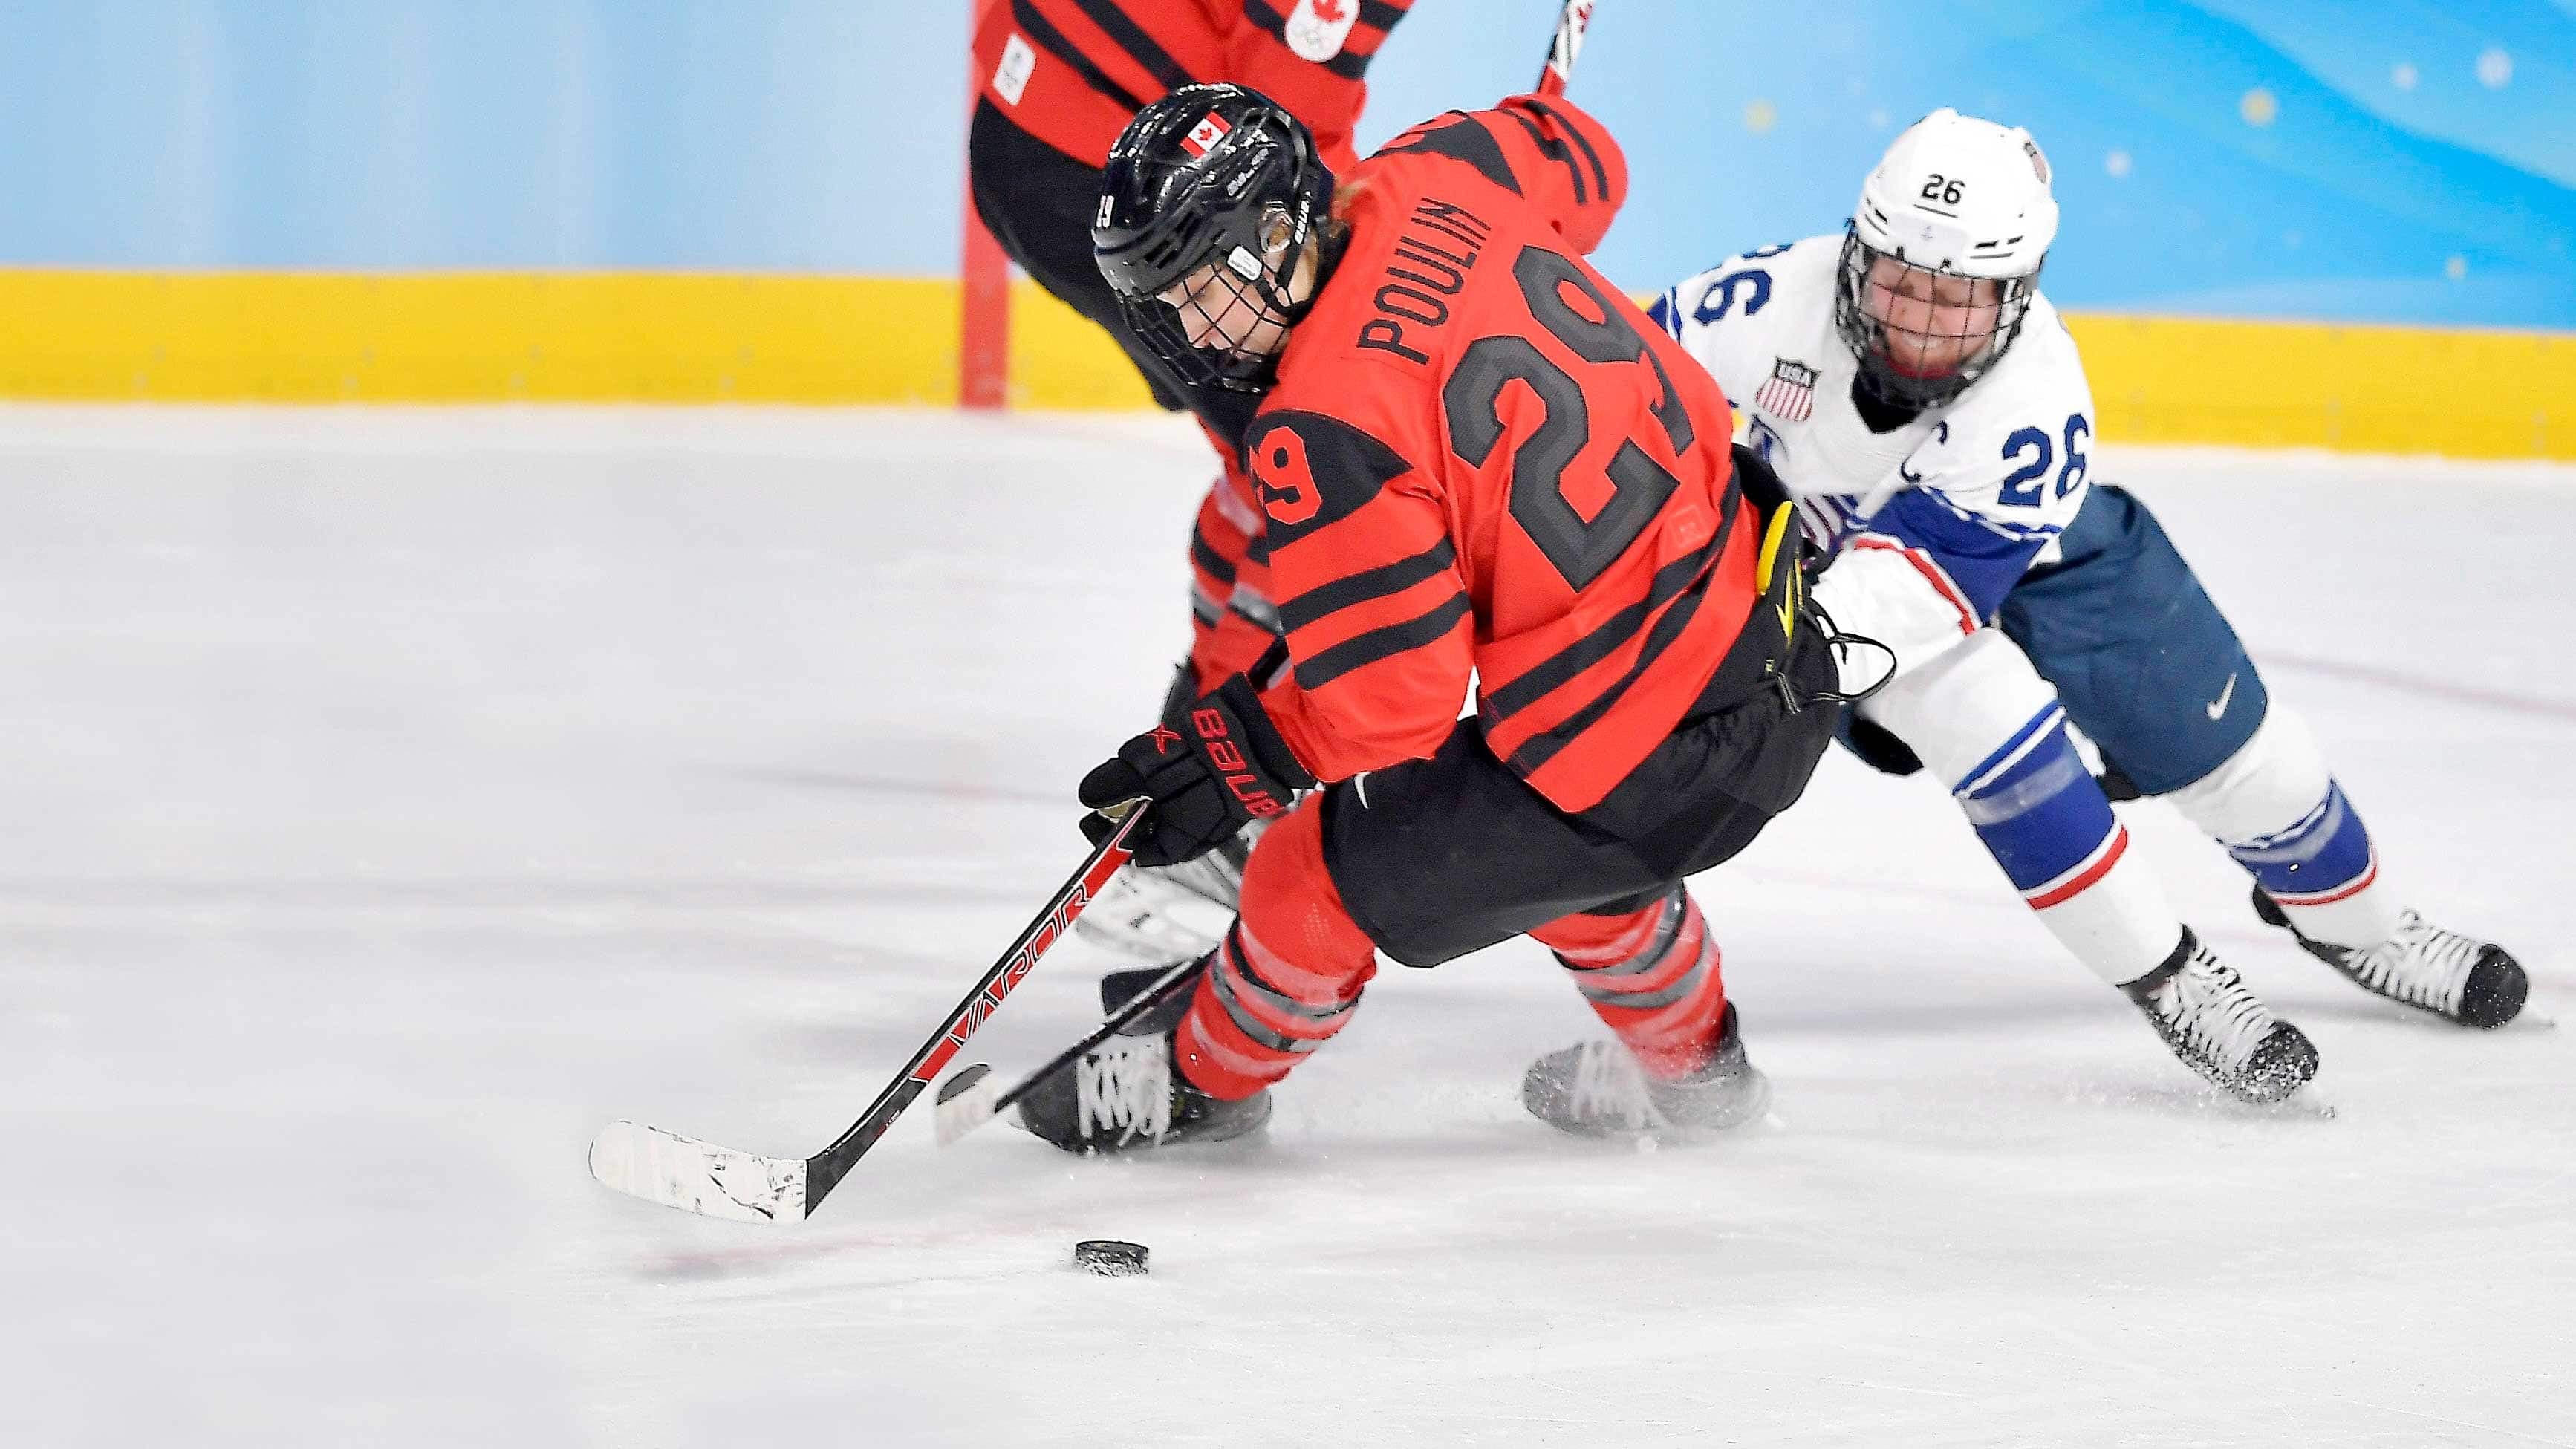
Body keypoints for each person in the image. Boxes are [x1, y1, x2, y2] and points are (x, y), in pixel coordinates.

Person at [1009, 80, 1850, 1152]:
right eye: (1161, 301)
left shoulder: (1319, 425)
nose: (1187, 326)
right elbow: (1589, 158)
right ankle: (1704, 1084)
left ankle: (1192, 1086)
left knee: (1302, 874)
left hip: (1640, 749)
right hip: (1776, 652)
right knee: (1571, 866)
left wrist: (1239, 755)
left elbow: (1392, 704)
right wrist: (1537, 118)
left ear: (1279, 231)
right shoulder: (1447, 169)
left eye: (1201, 286)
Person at [1630, 108, 2527, 1104]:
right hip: (1845, 575)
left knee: (2252, 767)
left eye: (1958, 297)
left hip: (2036, 562)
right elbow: (1620, 408)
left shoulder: (2038, 401)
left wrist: (1787, 661)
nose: (1920, 322)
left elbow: (1923, 584)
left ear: (2018, 292)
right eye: (1902, 283)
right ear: (1859, 252)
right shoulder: (1758, 299)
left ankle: (2368, 928)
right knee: (1990, 728)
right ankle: (2177, 982)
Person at [967, 1, 1420, 962]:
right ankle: (1204, 817)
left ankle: (1202, 747)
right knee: (1303, 453)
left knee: (1270, 457)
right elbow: (1283, 105)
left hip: (1039, 127)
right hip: (1100, 174)